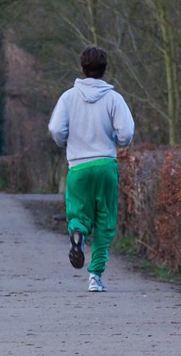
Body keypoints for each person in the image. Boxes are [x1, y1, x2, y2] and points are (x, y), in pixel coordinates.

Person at [48, 46, 134, 293]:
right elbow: (126, 133)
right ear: (105, 70)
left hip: (78, 166)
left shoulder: (68, 97)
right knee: (105, 219)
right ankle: (95, 276)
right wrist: (118, 142)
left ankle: (78, 233)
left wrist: (66, 140)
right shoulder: (114, 98)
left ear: (81, 68)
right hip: (106, 164)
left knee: (78, 213)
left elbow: (56, 129)